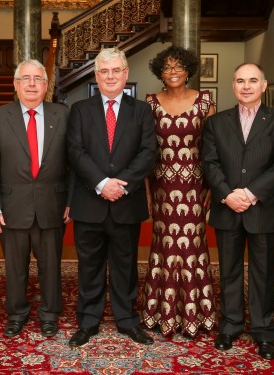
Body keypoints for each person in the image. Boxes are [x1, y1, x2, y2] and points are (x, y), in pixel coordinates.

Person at [202, 63, 274, 359]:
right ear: (233, 86)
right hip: (227, 208)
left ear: (263, 86)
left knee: (263, 273)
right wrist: (227, 194)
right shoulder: (217, 123)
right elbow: (210, 163)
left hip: (263, 209)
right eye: (240, 80)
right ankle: (230, 325)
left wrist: (251, 194)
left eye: (253, 80)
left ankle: (264, 331)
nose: (246, 86)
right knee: (228, 271)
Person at [67, 48, 156, 347]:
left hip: (126, 202)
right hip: (89, 202)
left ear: (126, 73)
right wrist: (102, 183)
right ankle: (88, 321)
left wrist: (122, 185)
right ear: (96, 75)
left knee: (125, 265)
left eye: (116, 70)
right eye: (104, 71)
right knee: (88, 265)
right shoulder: (79, 109)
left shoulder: (142, 110)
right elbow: (75, 152)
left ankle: (127, 320)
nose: (110, 76)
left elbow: (147, 153)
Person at [0, 59, 71, 338]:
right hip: (12, 206)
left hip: (53, 205)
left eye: (37, 79)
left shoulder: (63, 114)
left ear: (46, 86)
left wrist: (71, 201)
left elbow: (72, 163)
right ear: (16, 85)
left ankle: (49, 314)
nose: (32, 84)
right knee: (15, 267)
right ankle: (17, 314)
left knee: (51, 266)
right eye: (26, 79)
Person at [141, 46, 217, 338]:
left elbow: (213, 149)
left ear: (188, 71)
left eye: (178, 67)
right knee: (164, 245)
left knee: (192, 246)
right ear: (160, 72)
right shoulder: (150, 103)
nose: (172, 73)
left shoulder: (205, 102)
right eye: (167, 68)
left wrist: (211, 185)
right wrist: (147, 190)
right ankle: (161, 313)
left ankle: (196, 315)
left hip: (194, 186)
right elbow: (147, 151)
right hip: (162, 186)